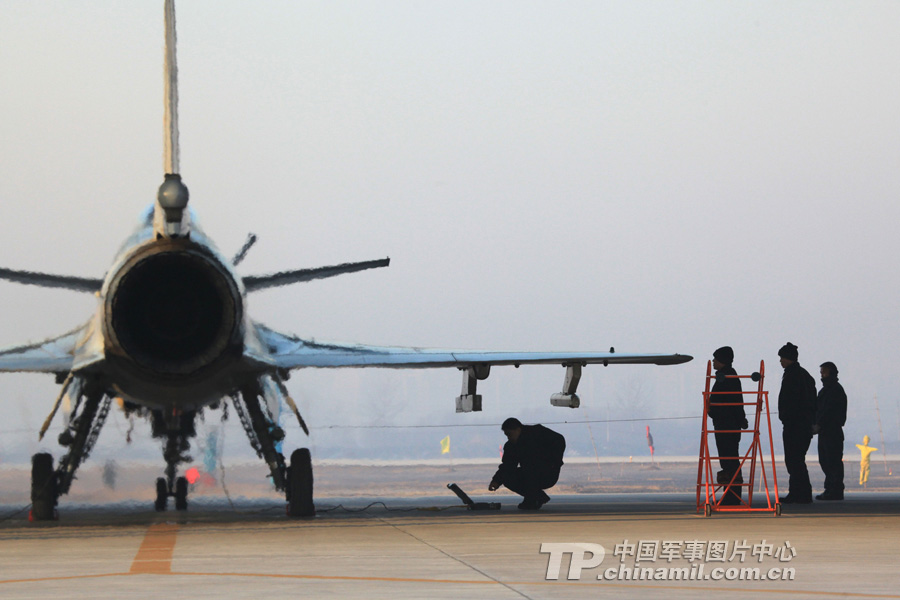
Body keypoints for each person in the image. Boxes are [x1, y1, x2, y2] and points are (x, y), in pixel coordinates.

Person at [488, 417, 565, 510]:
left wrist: (554, 462)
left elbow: (559, 439)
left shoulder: (537, 433)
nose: (508, 438)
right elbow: (507, 466)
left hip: (548, 472)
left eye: (509, 434)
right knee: (508, 477)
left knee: (531, 470)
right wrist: (496, 481)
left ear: (518, 430)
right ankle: (537, 497)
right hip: (529, 473)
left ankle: (532, 499)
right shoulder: (511, 446)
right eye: (506, 435)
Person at [777, 342, 817, 504]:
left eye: (782, 358)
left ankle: (799, 493)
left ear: (788, 358)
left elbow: (791, 401)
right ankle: (800, 492)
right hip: (803, 425)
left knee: (794, 460)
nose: (780, 361)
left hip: (795, 425)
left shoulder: (793, 376)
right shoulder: (804, 375)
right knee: (797, 459)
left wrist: (787, 417)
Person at [707, 346, 747, 505]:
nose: (713, 362)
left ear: (722, 360)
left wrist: (712, 410)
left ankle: (732, 496)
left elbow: (730, 402)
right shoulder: (728, 376)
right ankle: (730, 494)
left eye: (715, 359)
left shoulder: (726, 378)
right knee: (729, 459)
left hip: (726, 425)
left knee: (729, 459)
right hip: (727, 424)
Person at [814, 361, 847, 500]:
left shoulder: (834, 390)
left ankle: (835, 490)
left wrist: (819, 424)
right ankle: (831, 489)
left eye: (824, 372)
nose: (822, 375)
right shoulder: (828, 389)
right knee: (826, 461)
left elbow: (828, 411)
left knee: (832, 461)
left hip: (831, 431)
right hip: (825, 431)